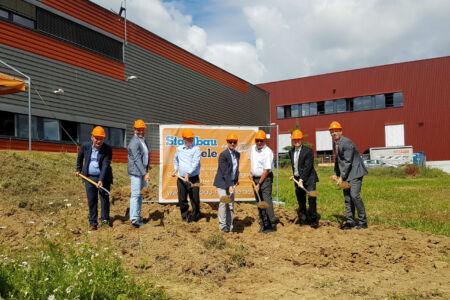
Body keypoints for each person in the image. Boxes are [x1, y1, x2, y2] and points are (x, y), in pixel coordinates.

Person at [329, 121, 369, 230]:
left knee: (354, 195)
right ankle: (350, 221)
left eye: (336, 131)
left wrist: (341, 177)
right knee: (347, 198)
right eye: (331, 131)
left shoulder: (346, 143)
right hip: (346, 173)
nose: (334, 133)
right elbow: (338, 160)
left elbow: (347, 161)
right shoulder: (335, 143)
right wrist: (335, 174)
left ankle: (363, 221)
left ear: (341, 131)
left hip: (355, 172)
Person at [76, 126, 113, 231]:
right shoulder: (85, 146)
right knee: (92, 200)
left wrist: (101, 179)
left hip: (104, 178)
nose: (98, 140)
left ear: (104, 139)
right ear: (92, 137)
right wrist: (78, 169)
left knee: (104, 199)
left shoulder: (107, 149)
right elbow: (80, 157)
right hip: (88, 177)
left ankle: (105, 220)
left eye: (101, 138)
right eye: (96, 138)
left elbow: (105, 165)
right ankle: (93, 223)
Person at [288, 129, 320, 228]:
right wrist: (295, 175)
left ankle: (314, 220)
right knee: (301, 200)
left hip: (309, 178)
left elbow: (308, 167)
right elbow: (295, 165)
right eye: (294, 139)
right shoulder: (291, 152)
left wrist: (302, 180)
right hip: (297, 179)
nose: (296, 141)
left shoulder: (308, 151)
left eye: (298, 139)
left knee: (311, 198)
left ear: (301, 140)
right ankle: (303, 219)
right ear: (292, 140)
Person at [171, 128, 202, 222]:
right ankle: (185, 216)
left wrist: (188, 173)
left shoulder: (196, 149)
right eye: (188, 139)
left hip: (194, 178)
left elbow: (195, 163)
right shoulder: (179, 149)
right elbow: (175, 160)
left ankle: (195, 217)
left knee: (195, 199)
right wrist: (175, 169)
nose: (190, 140)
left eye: (191, 139)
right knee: (182, 199)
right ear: (183, 138)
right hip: (181, 178)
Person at [250, 129, 277, 232]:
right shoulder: (253, 149)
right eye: (257, 140)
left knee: (266, 201)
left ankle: (271, 224)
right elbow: (253, 163)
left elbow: (266, 170)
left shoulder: (268, 152)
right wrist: (251, 172)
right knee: (259, 201)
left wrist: (259, 183)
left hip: (265, 179)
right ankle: (263, 222)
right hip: (255, 179)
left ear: (265, 140)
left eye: (261, 140)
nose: (259, 143)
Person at [213, 133, 240, 233]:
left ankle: (229, 226)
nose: (232, 143)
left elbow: (235, 169)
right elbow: (225, 172)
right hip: (222, 183)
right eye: (230, 142)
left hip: (231, 182)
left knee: (231, 205)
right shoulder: (223, 155)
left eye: (234, 142)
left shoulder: (237, 154)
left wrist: (236, 179)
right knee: (224, 202)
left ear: (236, 143)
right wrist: (229, 185)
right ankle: (222, 226)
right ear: (227, 142)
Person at [127, 119, 150, 228]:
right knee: (135, 195)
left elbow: (145, 155)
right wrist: (144, 173)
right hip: (137, 172)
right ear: (134, 129)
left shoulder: (143, 140)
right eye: (138, 129)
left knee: (139, 195)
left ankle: (137, 215)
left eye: (142, 129)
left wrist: (147, 169)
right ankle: (134, 219)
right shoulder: (134, 142)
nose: (140, 131)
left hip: (142, 171)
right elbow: (137, 160)